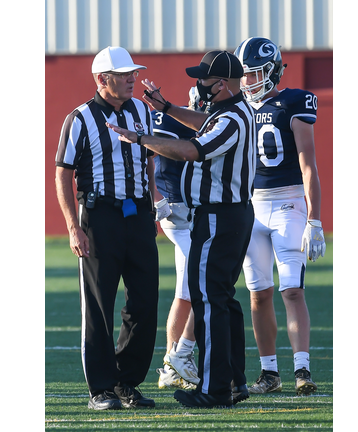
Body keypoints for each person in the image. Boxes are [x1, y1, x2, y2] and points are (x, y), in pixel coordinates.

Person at [107, 50, 256, 408]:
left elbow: (191, 149)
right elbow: (203, 123)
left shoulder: (231, 120)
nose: (198, 84)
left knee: (208, 301)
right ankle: (234, 381)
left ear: (221, 84)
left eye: (204, 79)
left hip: (219, 216)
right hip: (230, 216)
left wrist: (140, 139)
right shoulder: (232, 111)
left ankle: (216, 388)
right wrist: (168, 108)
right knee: (223, 300)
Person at [54, 46, 159, 410]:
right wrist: (73, 227)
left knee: (145, 301)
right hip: (99, 218)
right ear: (103, 79)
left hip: (138, 217)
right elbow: (62, 174)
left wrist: (153, 205)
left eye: (133, 72)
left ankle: (126, 382)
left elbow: (148, 162)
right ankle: (100, 388)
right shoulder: (79, 118)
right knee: (99, 305)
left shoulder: (142, 111)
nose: (132, 79)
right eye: (124, 74)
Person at [233, 37, 327, 396]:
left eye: (254, 73)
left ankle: (302, 369)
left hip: (288, 204)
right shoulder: (239, 108)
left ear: (271, 71)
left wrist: (314, 218)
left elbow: (308, 165)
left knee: (291, 290)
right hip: (251, 206)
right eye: (244, 74)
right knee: (258, 294)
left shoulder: (293, 102)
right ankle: (269, 373)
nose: (247, 81)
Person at [152, 88, 211, 391]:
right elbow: (147, 153)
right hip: (177, 211)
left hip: (195, 213)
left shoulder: (220, 124)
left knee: (185, 292)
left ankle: (169, 367)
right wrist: (155, 198)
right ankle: (181, 355)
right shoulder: (171, 120)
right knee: (206, 281)